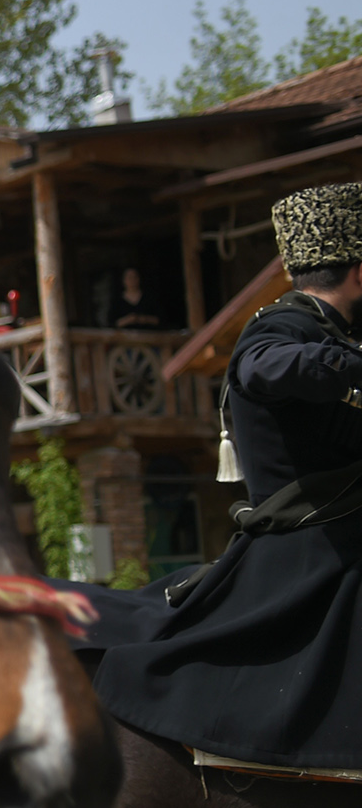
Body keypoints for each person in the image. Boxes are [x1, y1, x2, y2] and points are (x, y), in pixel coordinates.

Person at [86, 181, 362, 773]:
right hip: (314, 546)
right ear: (359, 275)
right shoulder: (278, 329)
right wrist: (340, 365)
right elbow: (264, 368)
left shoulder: (339, 335)